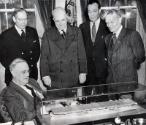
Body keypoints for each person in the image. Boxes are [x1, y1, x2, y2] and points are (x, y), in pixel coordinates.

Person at [40, 7, 87, 89]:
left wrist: (83, 72)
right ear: (53, 20)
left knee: (74, 101)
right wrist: (45, 75)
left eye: (63, 20)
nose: (60, 24)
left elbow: (82, 54)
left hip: (73, 78)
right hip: (55, 79)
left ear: (66, 18)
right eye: (57, 21)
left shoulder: (76, 31)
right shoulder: (48, 34)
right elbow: (44, 57)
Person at [104, 9, 145, 97]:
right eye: (107, 23)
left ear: (119, 19)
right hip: (111, 85)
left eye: (112, 22)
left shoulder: (132, 35)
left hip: (126, 85)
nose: (109, 25)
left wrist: (128, 65)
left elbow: (141, 57)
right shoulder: (107, 38)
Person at [0, 8, 40, 85]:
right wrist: (16, 70)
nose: (23, 22)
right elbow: (2, 57)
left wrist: (28, 70)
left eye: (25, 19)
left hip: (31, 75)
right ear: (14, 19)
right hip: (14, 76)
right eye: (20, 19)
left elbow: (37, 52)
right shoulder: (5, 35)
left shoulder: (33, 31)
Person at [2, 58, 44, 124]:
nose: (27, 74)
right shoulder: (9, 93)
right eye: (23, 72)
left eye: (28, 71)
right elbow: (20, 117)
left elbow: (45, 98)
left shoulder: (32, 81)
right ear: (13, 73)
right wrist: (43, 110)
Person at [79, 0, 110, 86]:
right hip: (87, 72)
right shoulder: (82, 27)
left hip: (103, 71)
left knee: (102, 97)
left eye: (94, 11)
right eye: (89, 11)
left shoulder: (107, 26)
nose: (91, 14)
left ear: (99, 11)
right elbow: (80, 49)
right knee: (87, 97)